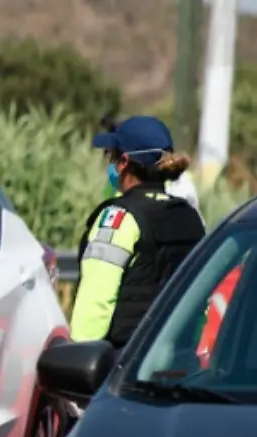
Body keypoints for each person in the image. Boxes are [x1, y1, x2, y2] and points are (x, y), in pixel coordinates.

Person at [70, 116, 206, 348]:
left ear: (123, 162)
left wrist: (78, 358)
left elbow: (95, 304)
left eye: (110, 156)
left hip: (124, 366)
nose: (108, 164)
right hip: (179, 361)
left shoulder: (119, 219)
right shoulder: (190, 217)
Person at [100, 114, 201, 212]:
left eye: (112, 155)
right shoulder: (114, 186)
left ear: (124, 161)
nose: (110, 162)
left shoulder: (179, 189)